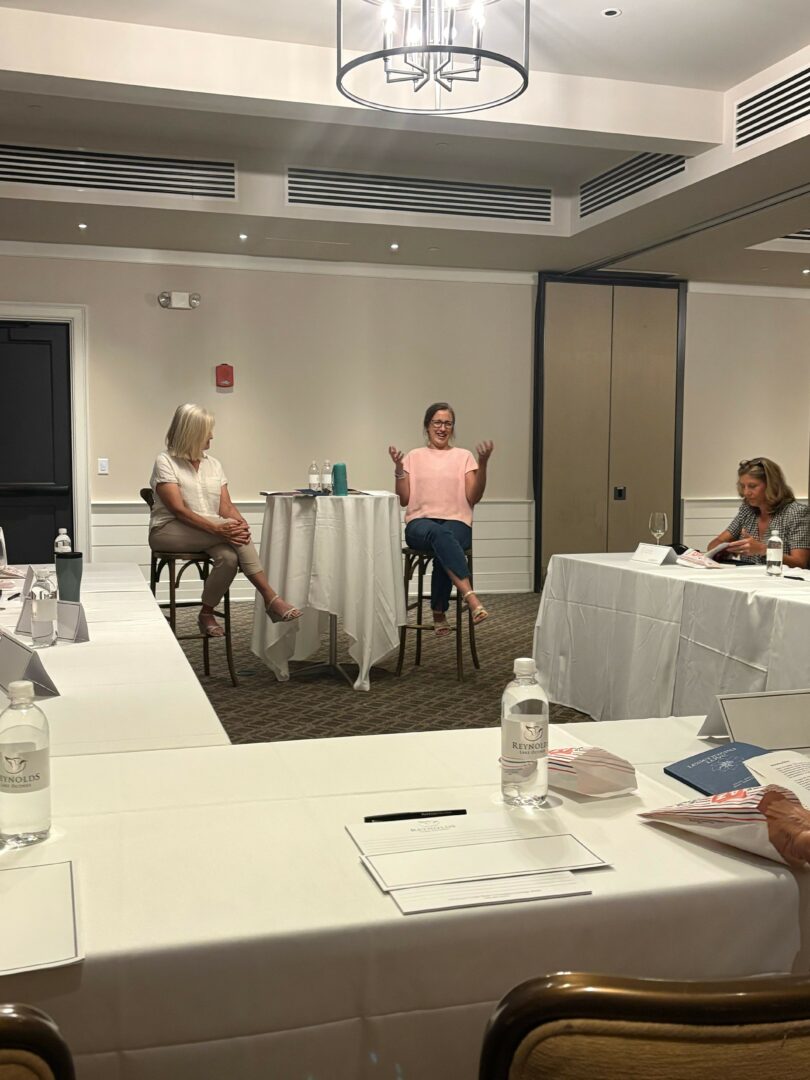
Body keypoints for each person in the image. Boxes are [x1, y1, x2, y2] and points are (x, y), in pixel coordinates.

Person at [149, 403, 301, 637]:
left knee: (229, 558)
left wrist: (241, 524)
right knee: (230, 530)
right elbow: (178, 510)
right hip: (169, 531)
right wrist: (220, 529)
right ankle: (271, 598)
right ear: (192, 433)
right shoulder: (165, 461)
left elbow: (225, 507)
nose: (211, 436)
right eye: (207, 431)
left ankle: (206, 613)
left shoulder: (214, 465)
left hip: (209, 532)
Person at [388, 402, 493, 636]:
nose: (442, 428)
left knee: (444, 540)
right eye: (437, 422)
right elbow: (404, 499)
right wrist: (398, 469)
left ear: (452, 428)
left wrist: (483, 464)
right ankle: (470, 597)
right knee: (441, 535)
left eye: (448, 423)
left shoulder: (464, 456)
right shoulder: (414, 456)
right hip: (420, 524)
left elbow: (473, 497)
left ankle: (439, 612)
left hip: (457, 522)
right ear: (427, 426)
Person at [706, 457, 810, 569]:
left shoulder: (796, 513)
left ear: (772, 486)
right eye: (743, 486)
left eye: (752, 486)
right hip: (748, 577)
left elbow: (800, 563)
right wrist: (724, 549)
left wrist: (763, 550)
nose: (746, 492)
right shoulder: (747, 511)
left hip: (781, 578)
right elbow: (716, 542)